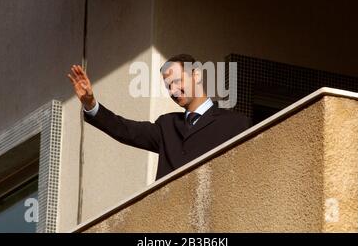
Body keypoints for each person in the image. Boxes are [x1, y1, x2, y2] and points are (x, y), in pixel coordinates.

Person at [67, 54, 252, 180]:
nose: (172, 91)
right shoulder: (166, 125)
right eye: (168, 86)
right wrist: (91, 105)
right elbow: (125, 130)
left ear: (196, 75)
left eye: (177, 81)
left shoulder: (235, 123)